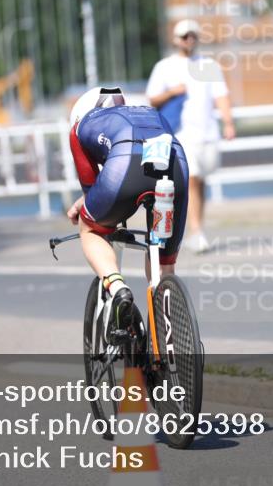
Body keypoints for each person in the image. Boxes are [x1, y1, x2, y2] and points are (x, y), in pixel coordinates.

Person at [66, 86, 189, 339]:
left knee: (91, 229)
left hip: (123, 166)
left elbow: (91, 187)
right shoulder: (146, 112)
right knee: (162, 262)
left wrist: (88, 205)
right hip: (175, 166)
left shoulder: (79, 127)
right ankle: (169, 343)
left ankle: (117, 286)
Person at [146, 19, 235, 253]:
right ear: (176, 40)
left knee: (201, 181)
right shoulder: (164, 67)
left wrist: (228, 123)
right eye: (185, 36)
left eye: (193, 35)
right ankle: (195, 230)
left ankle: (196, 228)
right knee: (192, 179)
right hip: (181, 133)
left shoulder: (208, 65)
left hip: (207, 132)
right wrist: (173, 92)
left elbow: (221, 96)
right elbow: (152, 99)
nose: (189, 40)